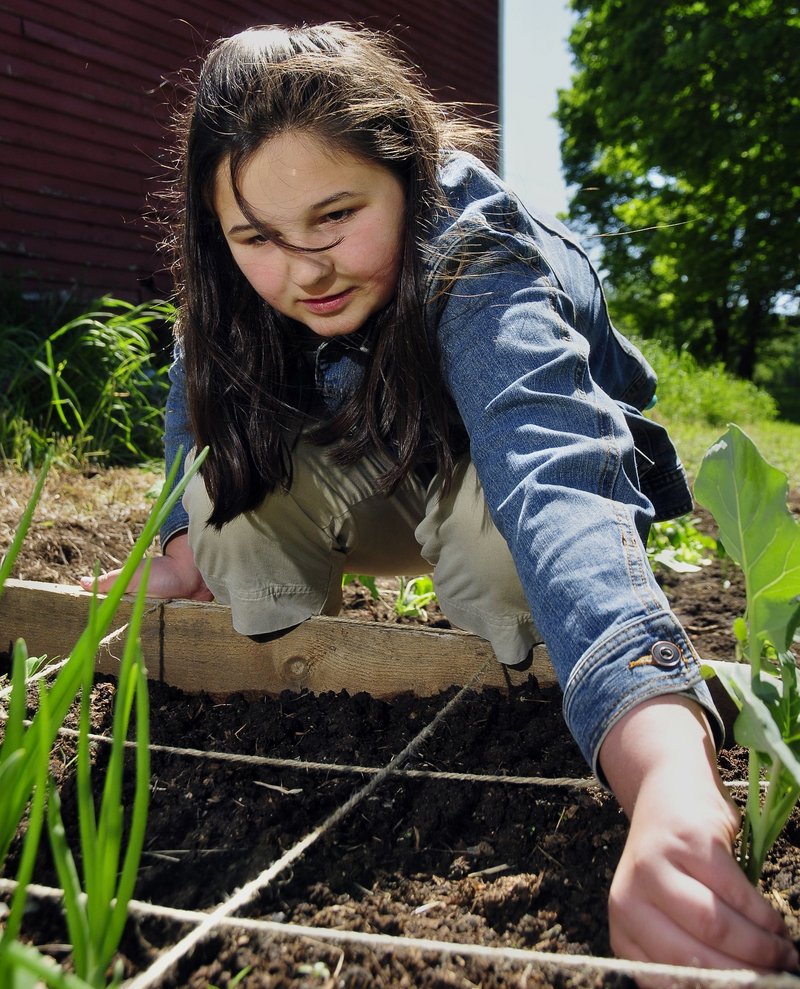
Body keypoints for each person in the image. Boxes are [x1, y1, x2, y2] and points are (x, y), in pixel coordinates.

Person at [80, 23, 798, 976]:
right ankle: (300, 668)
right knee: (227, 524)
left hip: (486, 480)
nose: (304, 269)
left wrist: (668, 774)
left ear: (409, 176)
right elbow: (196, 415)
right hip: (364, 477)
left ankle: (527, 692)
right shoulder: (232, 275)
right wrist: (179, 544)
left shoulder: (479, 257)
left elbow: (555, 484)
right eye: (257, 236)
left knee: (507, 560)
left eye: (337, 217)